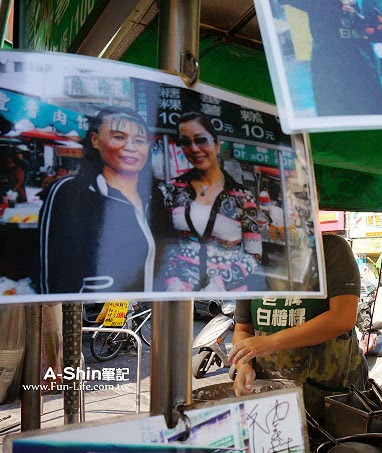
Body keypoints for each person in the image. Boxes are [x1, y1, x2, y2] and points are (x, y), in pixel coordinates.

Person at [228, 233, 365, 419]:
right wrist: (244, 366)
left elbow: (342, 317)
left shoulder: (330, 249)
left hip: (328, 396)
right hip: (272, 402)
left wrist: (270, 342)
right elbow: (243, 328)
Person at [39, 107, 168, 294]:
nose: (130, 147)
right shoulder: (70, 191)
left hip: (143, 317)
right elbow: (53, 275)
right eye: (119, 137)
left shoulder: (155, 196)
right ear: (95, 140)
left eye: (139, 140)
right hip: (91, 318)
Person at [160, 112, 261, 292]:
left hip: (229, 298)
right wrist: (173, 280)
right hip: (180, 294)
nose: (194, 149)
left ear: (217, 144)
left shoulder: (242, 196)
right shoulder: (172, 190)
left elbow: (254, 253)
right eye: (185, 142)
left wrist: (222, 283)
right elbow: (164, 245)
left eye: (201, 140)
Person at [280, 1, 382, 115]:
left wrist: (379, 29)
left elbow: (373, 30)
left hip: (365, 64)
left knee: (372, 115)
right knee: (335, 113)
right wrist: (334, 6)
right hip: (331, 63)